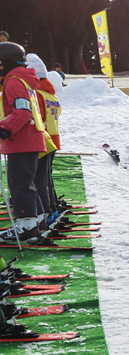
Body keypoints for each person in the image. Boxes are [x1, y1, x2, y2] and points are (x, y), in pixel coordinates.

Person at [0, 42, 47, 242]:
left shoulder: (14, 81)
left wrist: (5, 128)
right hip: (29, 139)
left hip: (21, 140)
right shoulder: (24, 79)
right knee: (27, 182)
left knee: (19, 183)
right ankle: (38, 220)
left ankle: (27, 225)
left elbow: (22, 111)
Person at [25, 54, 61, 231]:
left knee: (39, 179)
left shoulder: (36, 94)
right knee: (46, 178)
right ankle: (51, 208)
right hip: (53, 139)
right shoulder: (50, 94)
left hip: (41, 140)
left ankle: (45, 211)